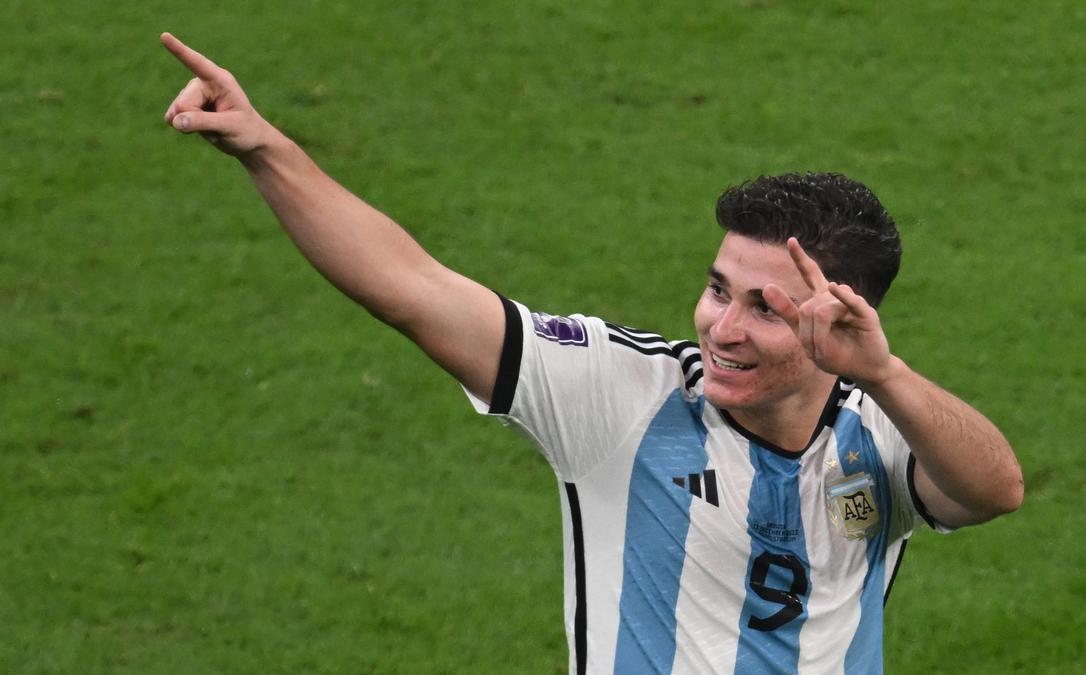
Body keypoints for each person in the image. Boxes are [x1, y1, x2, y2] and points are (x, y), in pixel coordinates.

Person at [160, 32, 1023, 675]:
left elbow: (996, 489)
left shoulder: (880, 432)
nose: (721, 327)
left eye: (766, 309)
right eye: (719, 288)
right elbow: (412, 287)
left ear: (845, 321)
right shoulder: (622, 393)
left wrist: (887, 374)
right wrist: (265, 146)